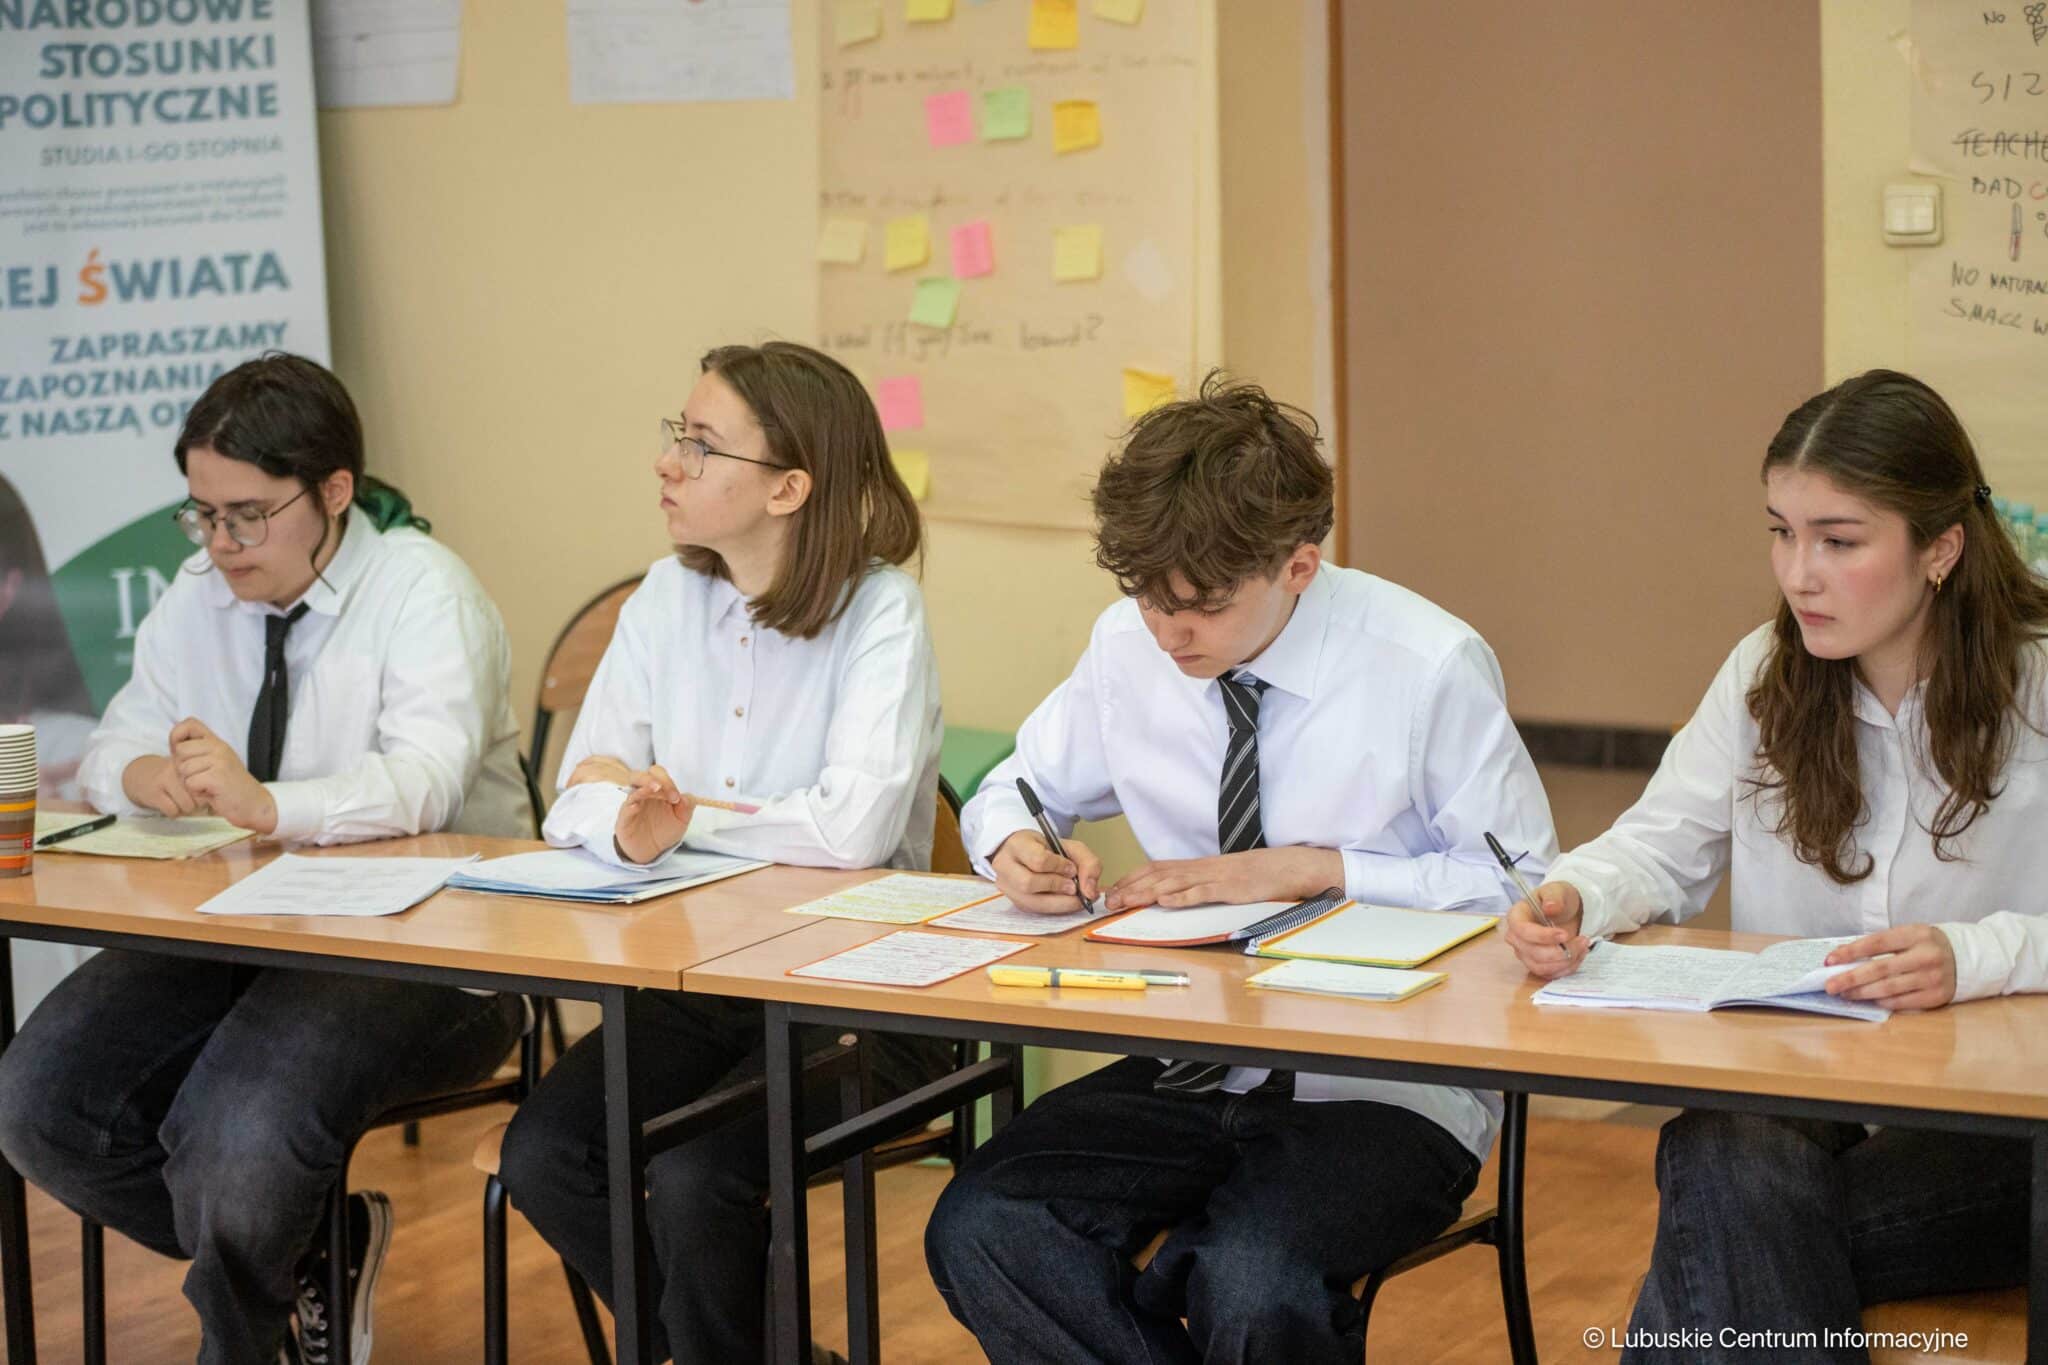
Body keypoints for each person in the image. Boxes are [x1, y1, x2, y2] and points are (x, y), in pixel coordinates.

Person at [923, 374, 1558, 1364]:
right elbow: (1017, 781)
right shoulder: (1126, 649)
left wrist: (1311, 869)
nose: (1165, 632)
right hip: (1191, 1058)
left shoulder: (1424, 665)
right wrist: (1013, 845)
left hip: (1381, 1085)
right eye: (1142, 599)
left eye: (1200, 609)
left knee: (1253, 1282)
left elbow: (1524, 891)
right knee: (985, 1225)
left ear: (1298, 565)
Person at [1502, 370, 2042, 1364]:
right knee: (1724, 1160)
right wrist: (1576, 891)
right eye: (1779, 532)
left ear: (1939, 549)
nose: (1798, 574)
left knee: (1718, 1226)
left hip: (2007, 1122)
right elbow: (1654, 845)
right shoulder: (1763, 672)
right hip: (1813, 1086)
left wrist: (1976, 955)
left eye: (1837, 542)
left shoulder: (2036, 678)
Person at [0, 353, 529, 1365]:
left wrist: (266, 804)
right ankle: (309, 1255)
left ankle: (248, 1328)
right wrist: (145, 776)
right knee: (40, 1103)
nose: (221, 544)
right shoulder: (200, 589)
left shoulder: (424, 591)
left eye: (248, 514)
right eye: (201, 513)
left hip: (435, 946)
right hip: (246, 927)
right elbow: (114, 741)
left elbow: (425, 782)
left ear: (333, 491)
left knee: (237, 1135)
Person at [498, 340, 951, 1362]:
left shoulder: (880, 611)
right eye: (676, 437)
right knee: (547, 1151)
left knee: (699, 1177)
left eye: (701, 447)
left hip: (861, 996)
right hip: (699, 979)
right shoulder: (667, 597)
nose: (668, 463)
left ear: (789, 486)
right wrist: (621, 824)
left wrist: (675, 819)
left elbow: (852, 833)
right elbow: (575, 795)